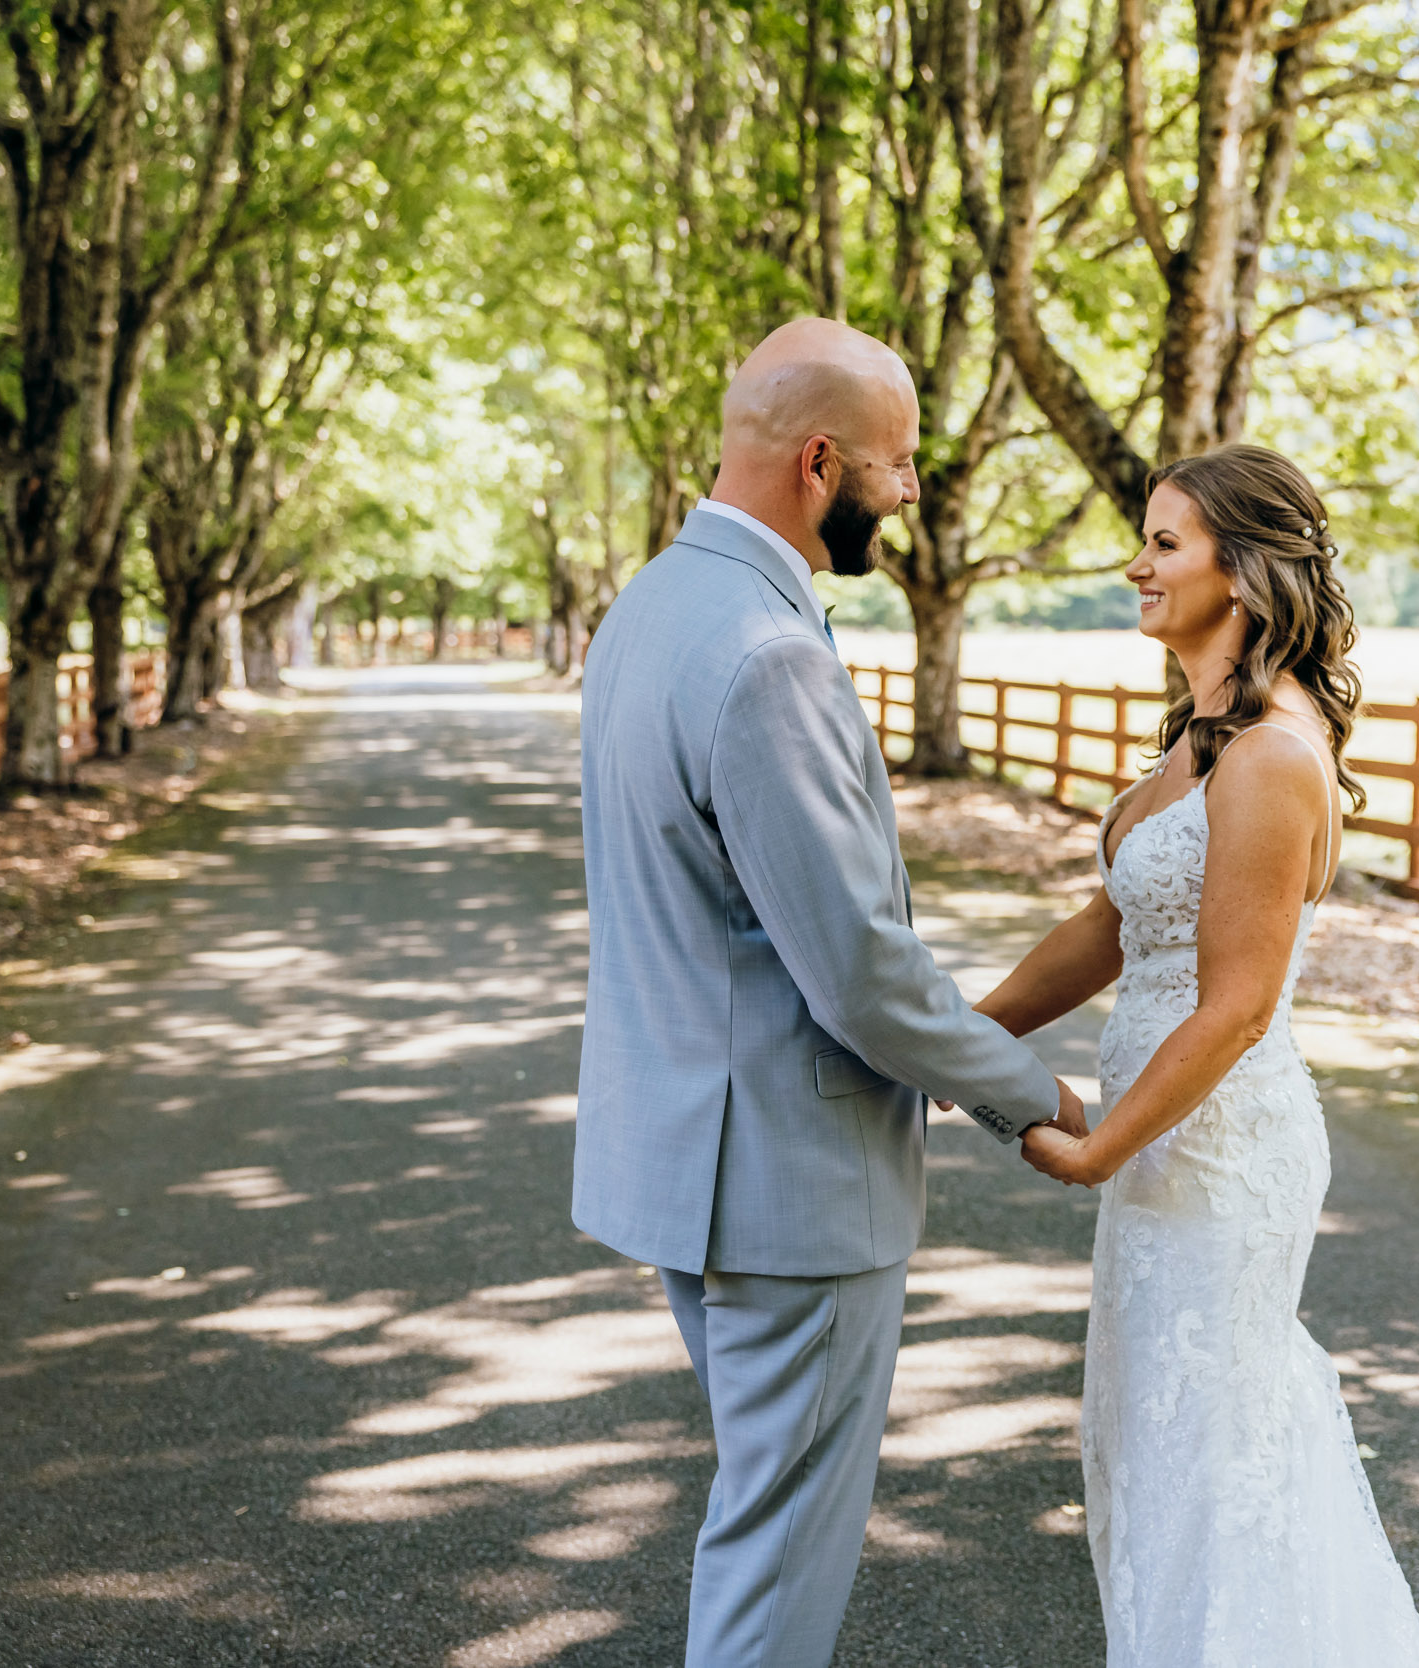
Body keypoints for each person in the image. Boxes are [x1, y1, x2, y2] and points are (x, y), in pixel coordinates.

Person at [571, 317, 1086, 1668]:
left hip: (688, 1162)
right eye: (900, 465)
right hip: (787, 1190)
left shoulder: (653, 605)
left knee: (758, 1521)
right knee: (777, 1557)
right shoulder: (770, 655)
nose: (912, 494)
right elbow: (857, 972)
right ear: (819, 461)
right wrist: (1032, 1094)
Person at [977, 445, 1419, 1665]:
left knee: (1215, 1458)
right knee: (1154, 1453)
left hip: (1215, 1156)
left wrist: (1098, 1146)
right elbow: (1110, 928)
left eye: (1164, 543)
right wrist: (965, 1035)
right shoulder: (1197, 740)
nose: (1135, 564)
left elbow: (1238, 1005)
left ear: (1242, 576)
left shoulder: (1271, 757)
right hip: (1164, 1148)